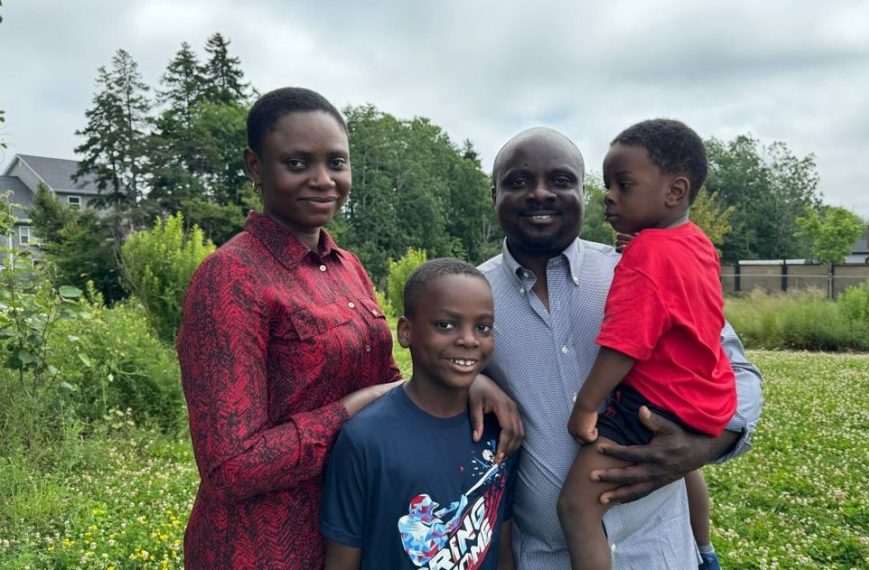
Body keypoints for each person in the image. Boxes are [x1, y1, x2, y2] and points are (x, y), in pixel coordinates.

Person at [177, 88, 523, 569]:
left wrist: (471, 382)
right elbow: (231, 467)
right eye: (297, 164)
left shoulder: (347, 268)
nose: (323, 181)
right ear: (255, 167)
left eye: (336, 163)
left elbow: (391, 383)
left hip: (354, 530)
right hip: (263, 548)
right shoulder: (231, 278)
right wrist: (351, 408)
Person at [479, 127, 763, 569]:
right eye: (517, 182)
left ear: (583, 193)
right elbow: (435, 383)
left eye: (560, 180)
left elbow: (735, 368)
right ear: (493, 193)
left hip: (663, 552)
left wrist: (704, 445)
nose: (539, 194)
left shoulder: (641, 267)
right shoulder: (468, 297)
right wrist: (475, 383)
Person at [556, 119, 735, 570]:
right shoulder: (695, 244)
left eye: (624, 185)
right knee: (681, 462)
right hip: (704, 399)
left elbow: (623, 345)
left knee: (576, 508)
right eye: (606, 184)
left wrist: (586, 406)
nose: (609, 196)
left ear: (674, 191)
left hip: (657, 400)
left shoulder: (646, 254)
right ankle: (705, 550)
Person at [322, 259, 518, 570]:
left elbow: (501, 549)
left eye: (482, 327)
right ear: (406, 332)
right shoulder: (364, 440)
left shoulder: (499, 430)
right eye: (446, 325)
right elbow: (342, 561)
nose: (469, 339)